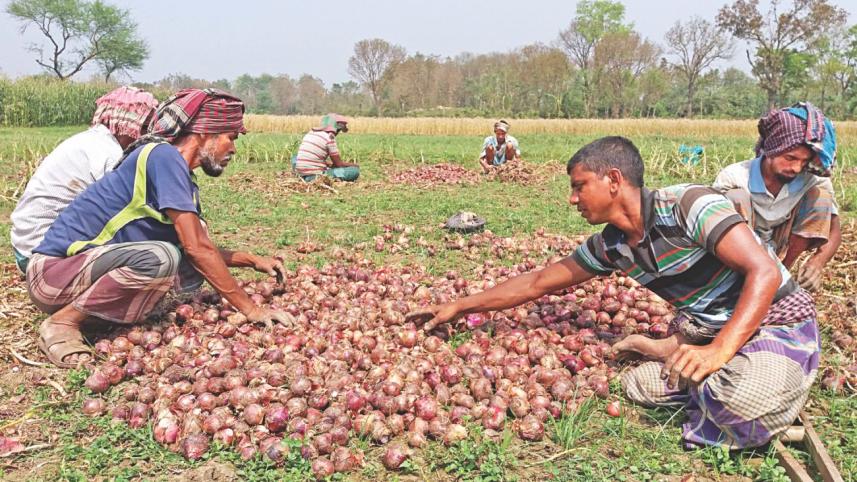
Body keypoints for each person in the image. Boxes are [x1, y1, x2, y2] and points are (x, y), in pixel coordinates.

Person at [409, 136, 819, 449]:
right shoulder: (612, 246)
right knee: (637, 386)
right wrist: (460, 307)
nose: (572, 199)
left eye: (579, 186)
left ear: (614, 180)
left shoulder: (689, 205)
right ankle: (713, 374)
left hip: (775, 322)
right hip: (712, 332)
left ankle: (754, 379)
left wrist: (720, 350)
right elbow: (536, 283)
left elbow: (763, 272)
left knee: (740, 400)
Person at [27, 88, 291, 368]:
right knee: (162, 258)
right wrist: (250, 309)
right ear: (204, 133)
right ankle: (62, 322)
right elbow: (197, 249)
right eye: (230, 137)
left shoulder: (178, 174)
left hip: (81, 275)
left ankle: (98, 318)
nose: (233, 149)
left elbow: (196, 250)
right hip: (53, 275)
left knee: (184, 268)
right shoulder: (162, 157)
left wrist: (252, 261)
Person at [10, 86, 158, 273]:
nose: (146, 135)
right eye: (144, 127)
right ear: (126, 125)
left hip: (25, 247)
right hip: (42, 253)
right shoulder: (108, 154)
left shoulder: (89, 141)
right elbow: (123, 211)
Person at [713, 103, 840, 292]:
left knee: (820, 198)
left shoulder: (811, 180)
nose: (797, 168)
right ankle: (738, 279)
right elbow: (708, 229)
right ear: (771, 149)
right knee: (735, 197)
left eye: (804, 161)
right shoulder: (735, 176)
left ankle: (782, 274)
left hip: (782, 244)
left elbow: (835, 231)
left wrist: (818, 262)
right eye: (790, 158)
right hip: (739, 247)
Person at [292, 113, 359, 182]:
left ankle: (302, 175)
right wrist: (354, 165)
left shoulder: (310, 133)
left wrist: (327, 163)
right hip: (315, 176)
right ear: (336, 129)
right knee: (354, 171)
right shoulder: (329, 138)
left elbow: (313, 156)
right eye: (339, 130)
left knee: (295, 157)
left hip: (300, 173)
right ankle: (311, 178)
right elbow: (339, 164)